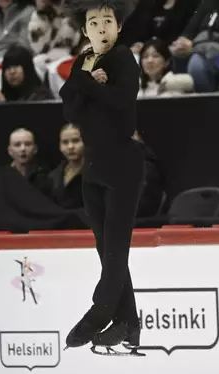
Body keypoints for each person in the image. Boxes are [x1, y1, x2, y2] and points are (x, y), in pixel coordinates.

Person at [59, 0, 145, 355]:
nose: (101, 27)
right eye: (94, 22)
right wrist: (87, 81)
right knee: (103, 247)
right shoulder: (83, 62)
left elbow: (122, 102)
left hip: (123, 162)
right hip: (93, 165)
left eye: (107, 21)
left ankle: (101, 311)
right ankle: (129, 324)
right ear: (84, 29)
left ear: (118, 27)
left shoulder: (124, 58)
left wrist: (87, 86)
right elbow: (69, 106)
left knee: (115, 247)